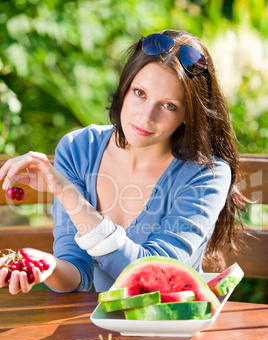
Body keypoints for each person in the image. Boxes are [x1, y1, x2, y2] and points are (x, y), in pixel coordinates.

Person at [0, 29, 248, 295]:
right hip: (90, 329)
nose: (146, 116)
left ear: (189, 114)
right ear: (124, 89)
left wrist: (67, 193)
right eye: (139, 93)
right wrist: (47, 265)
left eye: (169, 106)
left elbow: (151, 281)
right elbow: (77, 273)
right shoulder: (78, 149)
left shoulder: (205, 175)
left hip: (166, 324)